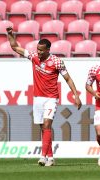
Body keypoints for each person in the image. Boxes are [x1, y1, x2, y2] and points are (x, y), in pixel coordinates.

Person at [6, 27, 82, 166]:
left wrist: (76, 96)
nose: (39, 52)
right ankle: (51, 158)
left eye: (41, 50)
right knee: (43, 128)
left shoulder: (57, 62)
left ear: (48, 50)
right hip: (38, 98)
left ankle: (43, 156)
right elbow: (15, 47)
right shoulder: (34, 57)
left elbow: (68, 79)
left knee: (47, 124)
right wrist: (10, 35)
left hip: (51, 98)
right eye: (38, 49)